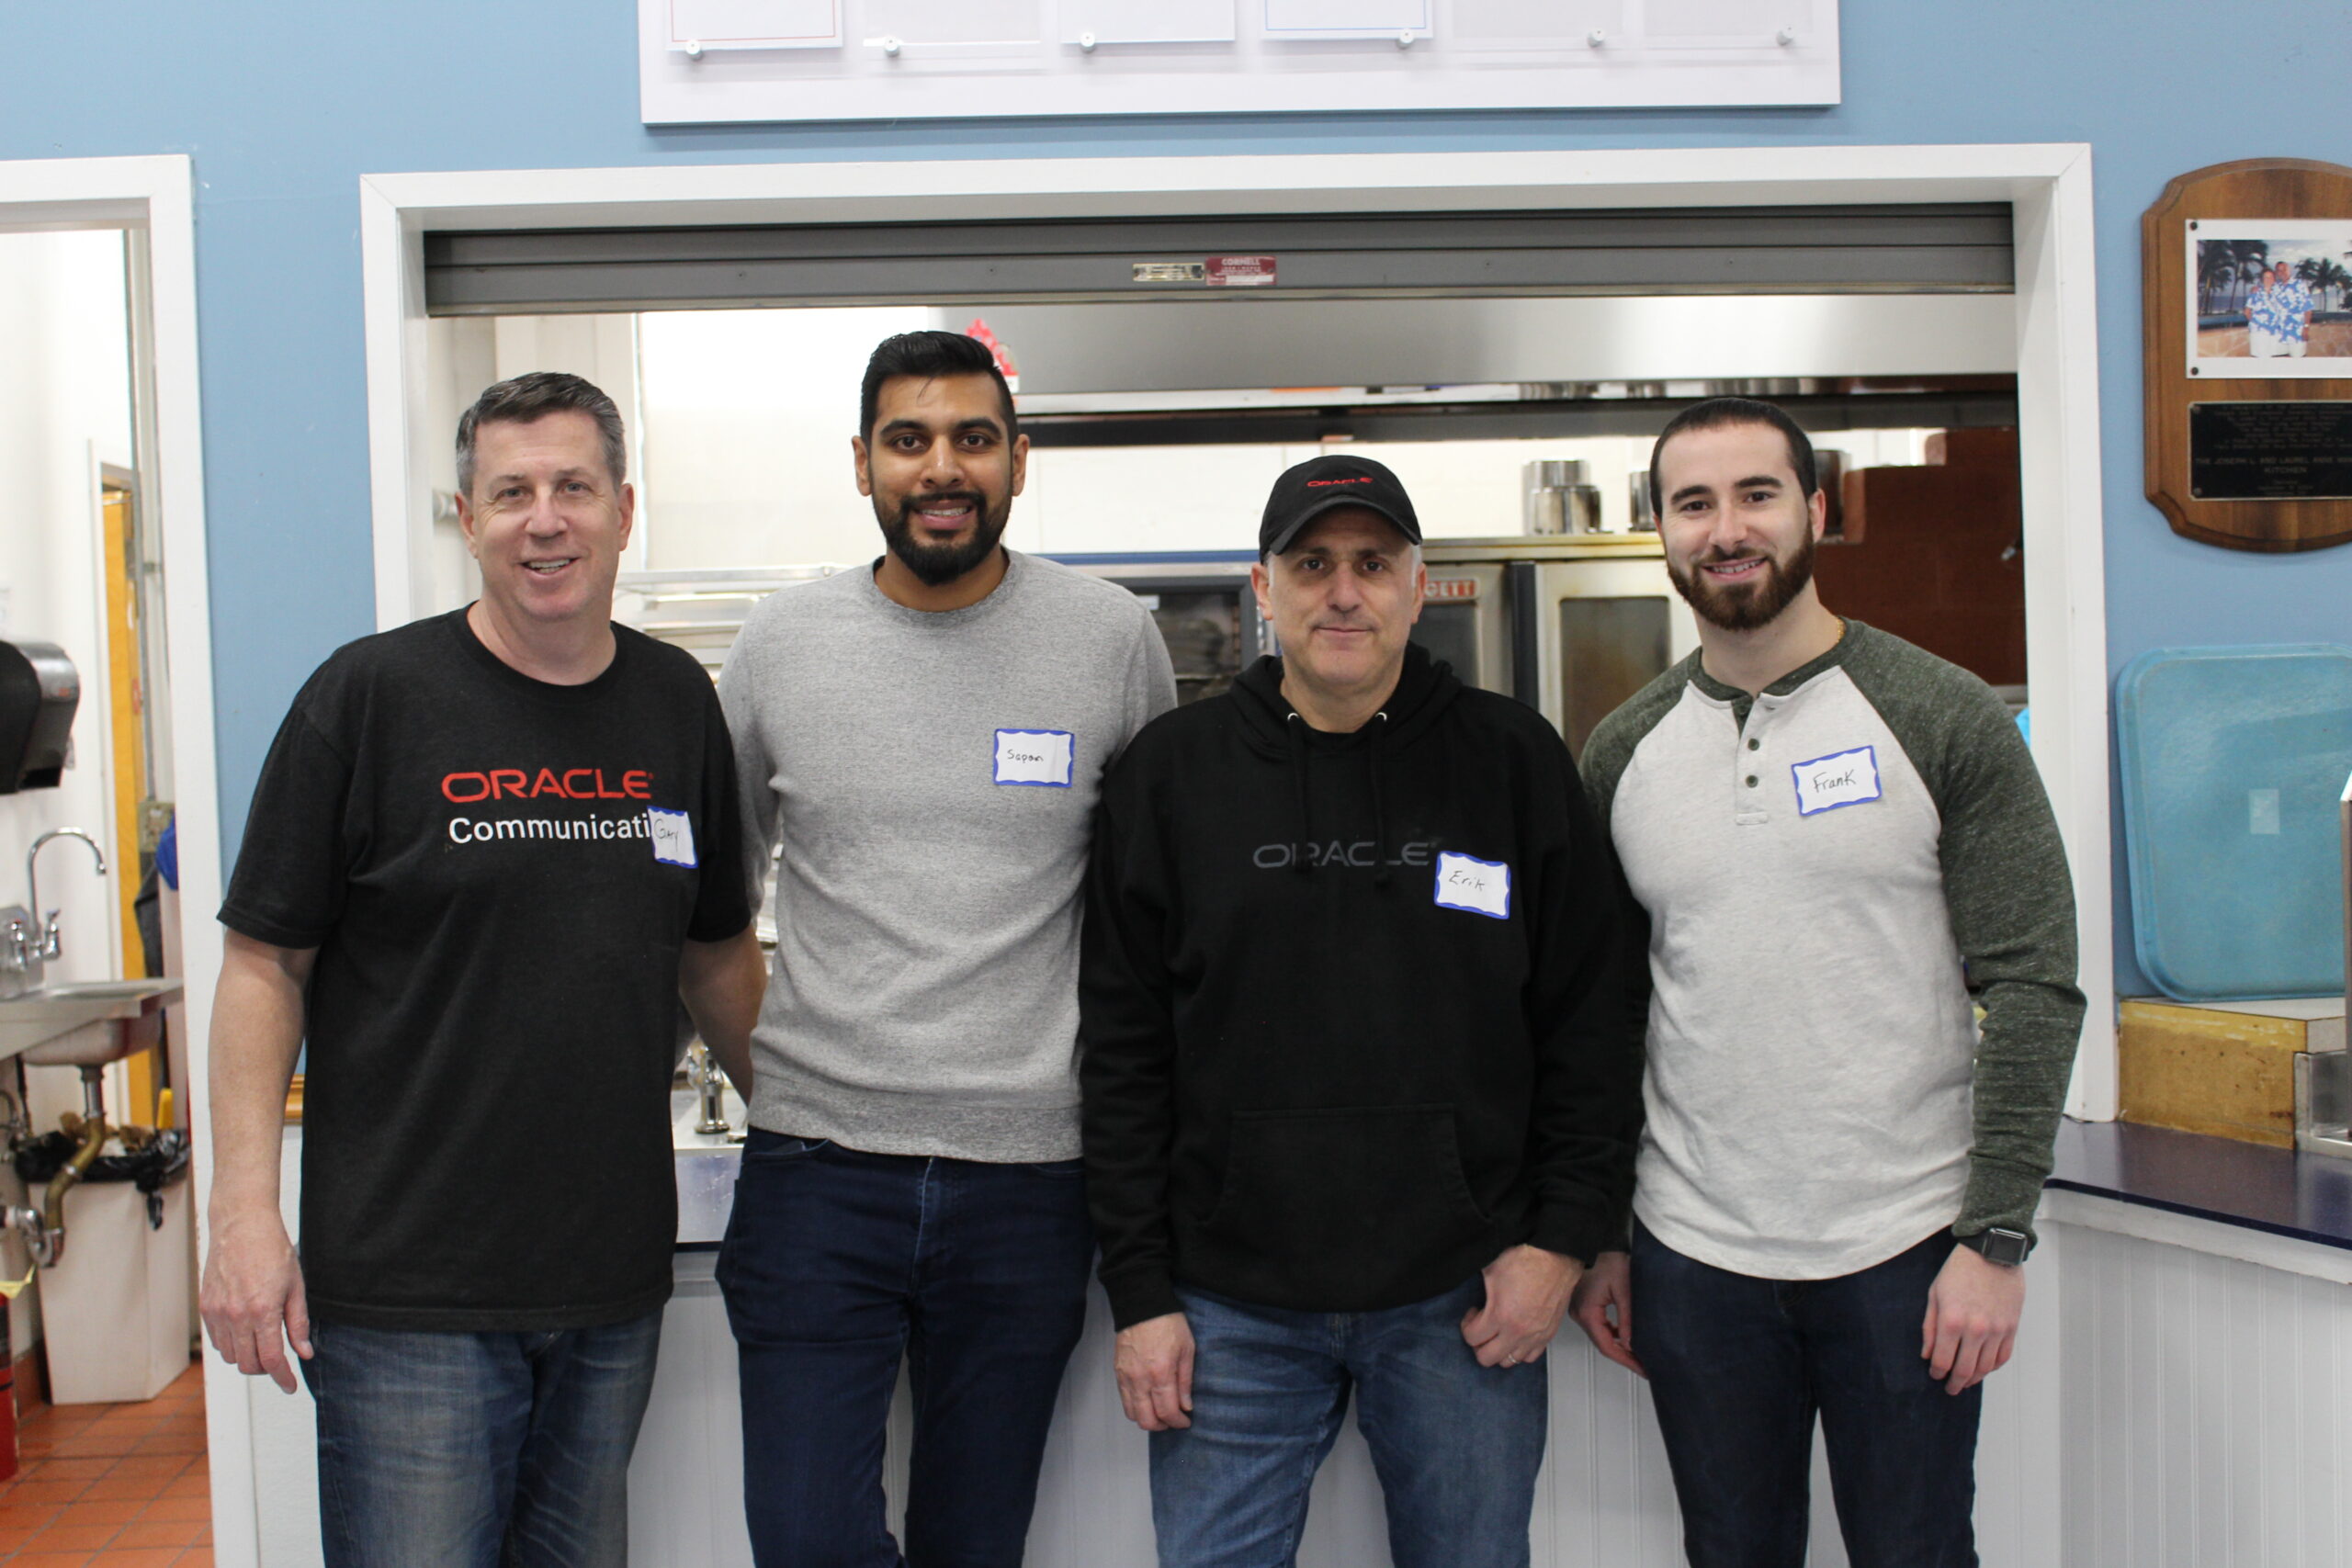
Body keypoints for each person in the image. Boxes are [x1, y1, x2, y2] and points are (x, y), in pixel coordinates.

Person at [201, 372, 764, 1568]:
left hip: (608, 1279)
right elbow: (263, 964)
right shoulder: (368, 698)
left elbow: (715, 953)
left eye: (572, 488)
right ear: (467, 517)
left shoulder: (674, 701)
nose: (543, 520)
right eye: (511, 493)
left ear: (624, 508)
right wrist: (243, 1214)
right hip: (410, 1290)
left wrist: (813, 1133)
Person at [1081, 454, 1642, 1568]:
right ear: (1263, 586)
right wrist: (1138, 1291)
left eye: (1373, 565)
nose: (1343, 593)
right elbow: (1122, 1048)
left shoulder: (1512, 760)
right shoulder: (1171, 774)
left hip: (1465, 1295)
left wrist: (1559, 1239)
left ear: (1418, 586)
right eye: (1312, 564)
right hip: (1227, 1304)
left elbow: (1591, 1017)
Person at [1569, 397, 2085, 1567]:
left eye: (1755, 495)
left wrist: (1995, 1236)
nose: (1725, 529)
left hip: (1904, 1250)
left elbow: (2033, 982)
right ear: (1662, 530)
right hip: (1693, 1255)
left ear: (1814, 509)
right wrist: (1606, 1233)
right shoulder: (1623, 751)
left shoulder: (1941, 713)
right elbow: (1606, 1016)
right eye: (1693, 504)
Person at [715, 329, 1177, 1567]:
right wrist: (792, 1086)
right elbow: (716, 905)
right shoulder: (779, 644)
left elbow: (1147, 919)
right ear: (862, 461)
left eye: (973, 438)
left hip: (1029, 1183)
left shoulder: (1108, 639)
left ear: (1018, 461)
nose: (941, 468)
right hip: (815, 1179)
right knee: (805, 1542)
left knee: (976, 1544)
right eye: (908, 440)